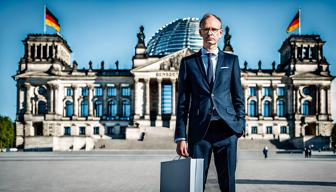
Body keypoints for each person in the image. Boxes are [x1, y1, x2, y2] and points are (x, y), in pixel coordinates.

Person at [175, 13, 245, 192]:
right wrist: (181, 136)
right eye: (206, 29)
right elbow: (183, 102)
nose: (210, 33)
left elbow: (238, 97)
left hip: (227, 130)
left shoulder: (232, 61)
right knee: (195, 185)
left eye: (214, 29)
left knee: (228, 184)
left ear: (221, 33)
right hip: (199, 133)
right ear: (200, 32)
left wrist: (240, 125)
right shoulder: (188, 63)